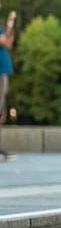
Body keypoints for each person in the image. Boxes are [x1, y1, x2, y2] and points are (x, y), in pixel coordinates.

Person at [0, 9, 15, 158]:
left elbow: (8, 43)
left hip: (3, 72)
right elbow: (5, 40)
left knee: (1, 109)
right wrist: (10, 22)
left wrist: (10, 28)